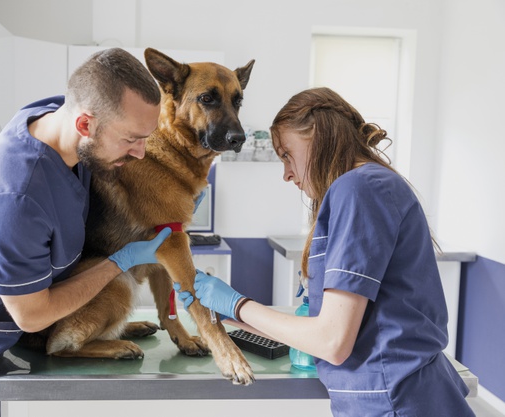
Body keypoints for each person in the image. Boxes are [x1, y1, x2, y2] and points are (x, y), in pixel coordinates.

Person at [0, 48, 172, 417]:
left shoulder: (58, 119)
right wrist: (119, 263)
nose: (140, 153)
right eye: (130, 140)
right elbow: (33, 315)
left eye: (145, 138)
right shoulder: (13, 198)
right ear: (85, 125)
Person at [177, 87, 475, 416]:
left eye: (287, 154)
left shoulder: (360, 188)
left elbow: (331, 342)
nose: (287, 174)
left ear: (317, 135)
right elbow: (325, 333)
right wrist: (228, 312)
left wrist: (236, 302)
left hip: (397, 402)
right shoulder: (363, 187)